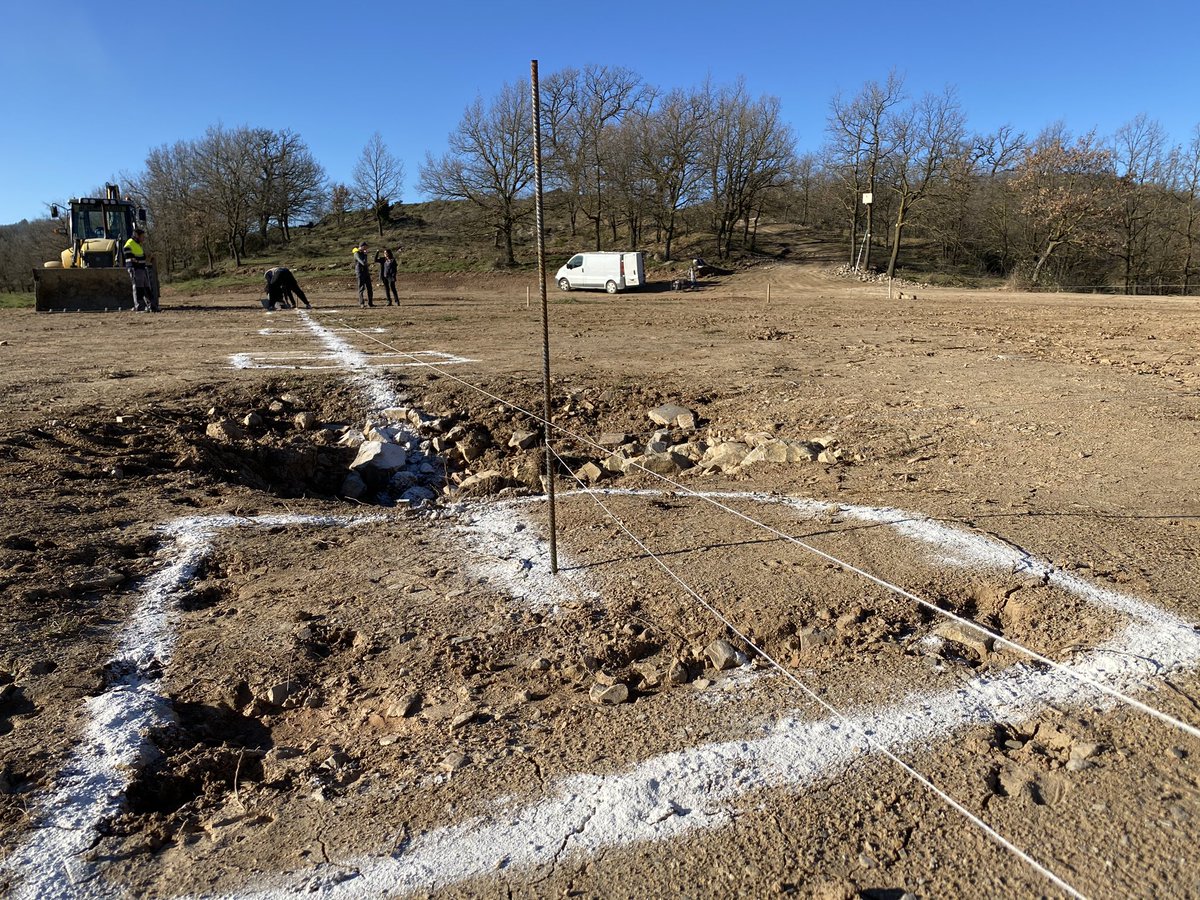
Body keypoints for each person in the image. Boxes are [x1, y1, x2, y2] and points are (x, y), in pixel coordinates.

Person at [123, 224, 157, 312]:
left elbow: (141, 256)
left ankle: (152, 306)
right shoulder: (129, 244)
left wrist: (149, 257)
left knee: (146, 288)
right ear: (137, 236)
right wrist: (138, 261)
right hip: (135, 269)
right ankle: (139, 306)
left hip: (141, 268)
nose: (143, 238)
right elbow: (129, 256)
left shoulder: (137, 245)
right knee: (139, 288)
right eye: (142, 236)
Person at [353, 241, 374, 307]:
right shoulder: (356, 253)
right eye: (365, 247)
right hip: (360, 272)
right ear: (362, 246)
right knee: (361, 288)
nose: (366, 248)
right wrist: (365, 255)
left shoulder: (363, 253)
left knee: (369, 288)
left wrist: (365, 255)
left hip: (366, 272)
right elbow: (362, 262)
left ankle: (370, 303)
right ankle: (362, 303)